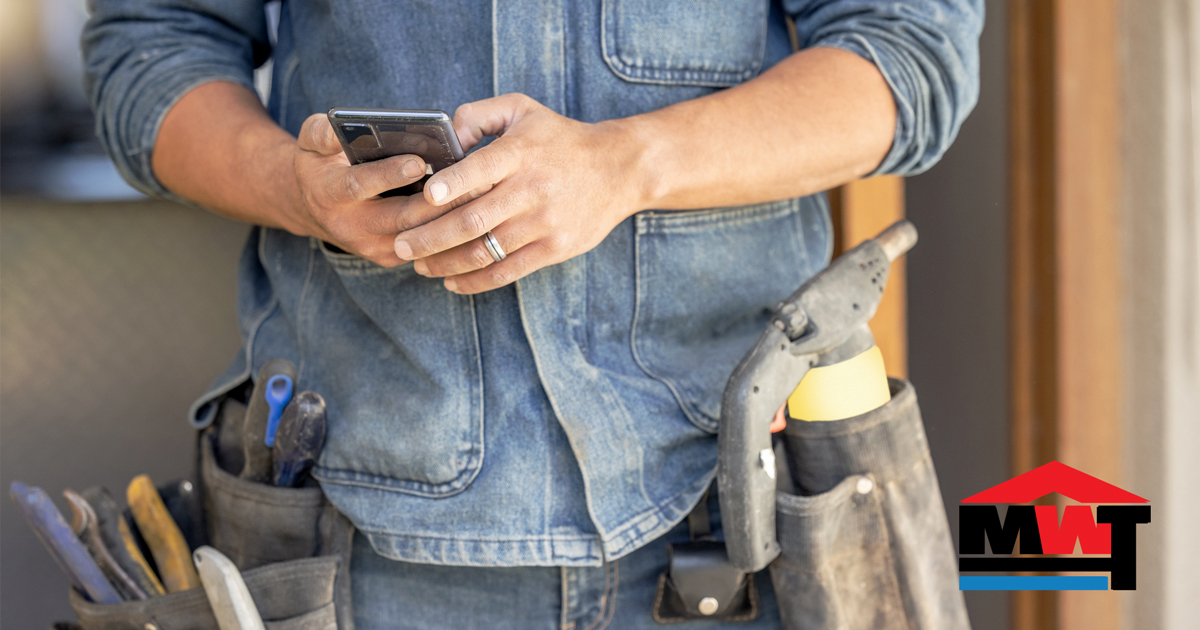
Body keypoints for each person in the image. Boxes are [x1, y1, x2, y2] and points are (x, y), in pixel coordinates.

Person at [83, 0, 981, 627]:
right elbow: (153, 47)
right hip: (356, 538)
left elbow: (911, 47)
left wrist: (631, 163)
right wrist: (294, 185)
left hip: (735, 524)